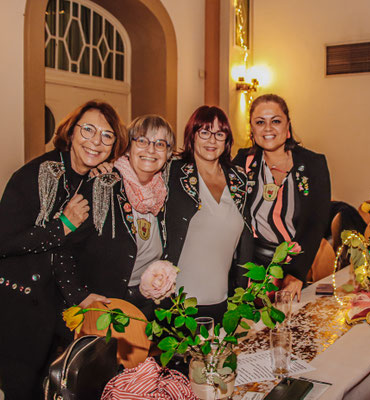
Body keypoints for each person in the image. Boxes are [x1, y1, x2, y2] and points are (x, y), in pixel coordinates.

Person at [0, 100, 127, 400]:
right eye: (88, 130)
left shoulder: (92, 183)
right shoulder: (36, 174)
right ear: (70, 132)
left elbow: (66, 252)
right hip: (17, 308)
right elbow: (4, 242)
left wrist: (80, 295)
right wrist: (62, 226)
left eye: (107, 135)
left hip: (53, 309)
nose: (96, 141)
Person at [55, 115, 175, 319]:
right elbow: (62, 246)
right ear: (128, 148)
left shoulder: (164, 190)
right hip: (104, 309)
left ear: (168, 154)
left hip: (148, 306)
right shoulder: (102, 186)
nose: (151, 149)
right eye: (142, 140)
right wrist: (78, 295)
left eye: (160, 144)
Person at [233, 94, 331, 301]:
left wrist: (296, 274)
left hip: (295, 268)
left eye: (276, 121)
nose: (268, 128)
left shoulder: (314, 164)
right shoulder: (243, 162)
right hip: (251, 269)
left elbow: (316, 223)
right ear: (252, 129)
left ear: (288, 126)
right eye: (260, 122)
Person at [163, 106, 252, 322]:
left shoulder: (238, 178)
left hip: (224, 302)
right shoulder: (171, 172)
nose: (212, 140)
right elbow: (139, 167)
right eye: (204, 132)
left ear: (226, 139)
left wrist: (242, 294)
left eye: (219, 134)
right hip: (177, 304)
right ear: (192, 135)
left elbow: (246, 238)